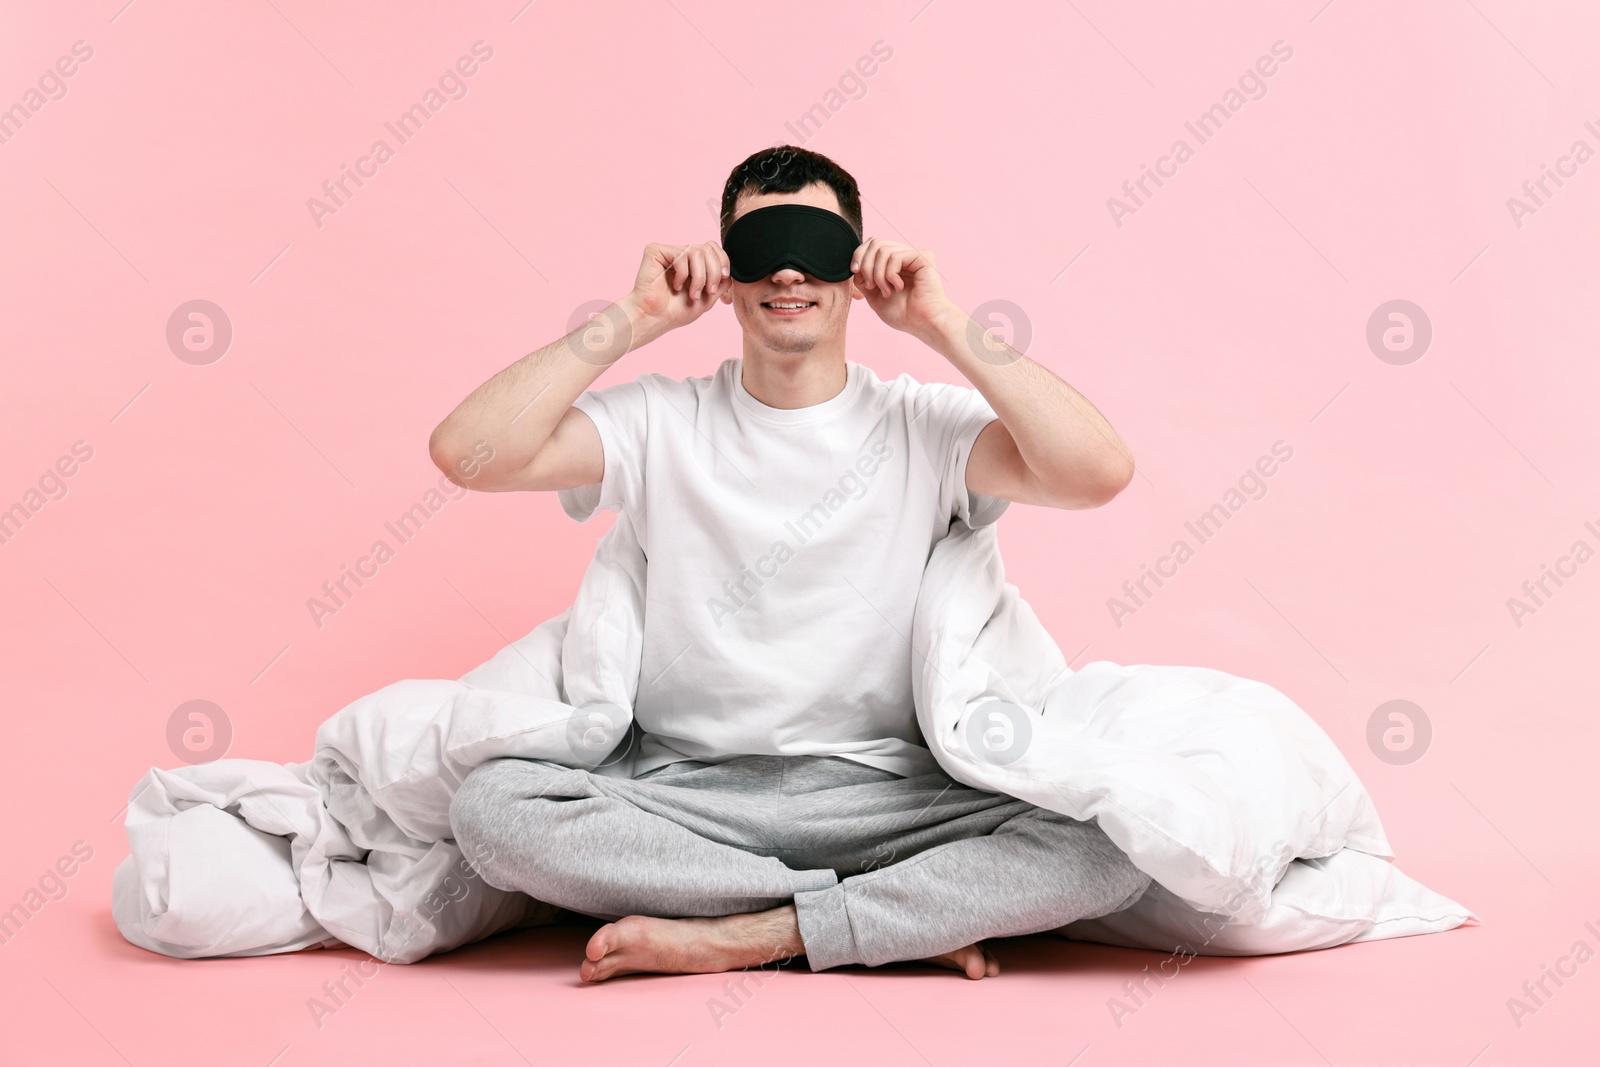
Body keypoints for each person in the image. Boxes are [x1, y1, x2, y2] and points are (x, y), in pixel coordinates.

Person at [430, 145, 1149, 982]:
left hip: (887, 799)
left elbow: (1100, 472)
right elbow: (465, 453)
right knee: (491, 813)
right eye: (758, 250)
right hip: (689, 798)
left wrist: (943, 324)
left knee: (1116, 834)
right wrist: (631, 317)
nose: (787, 274)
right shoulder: (661, 419)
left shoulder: (925, 425)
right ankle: (882, 917)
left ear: (856, 268)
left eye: (815, 247)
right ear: (726, 274)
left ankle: (752, 931)